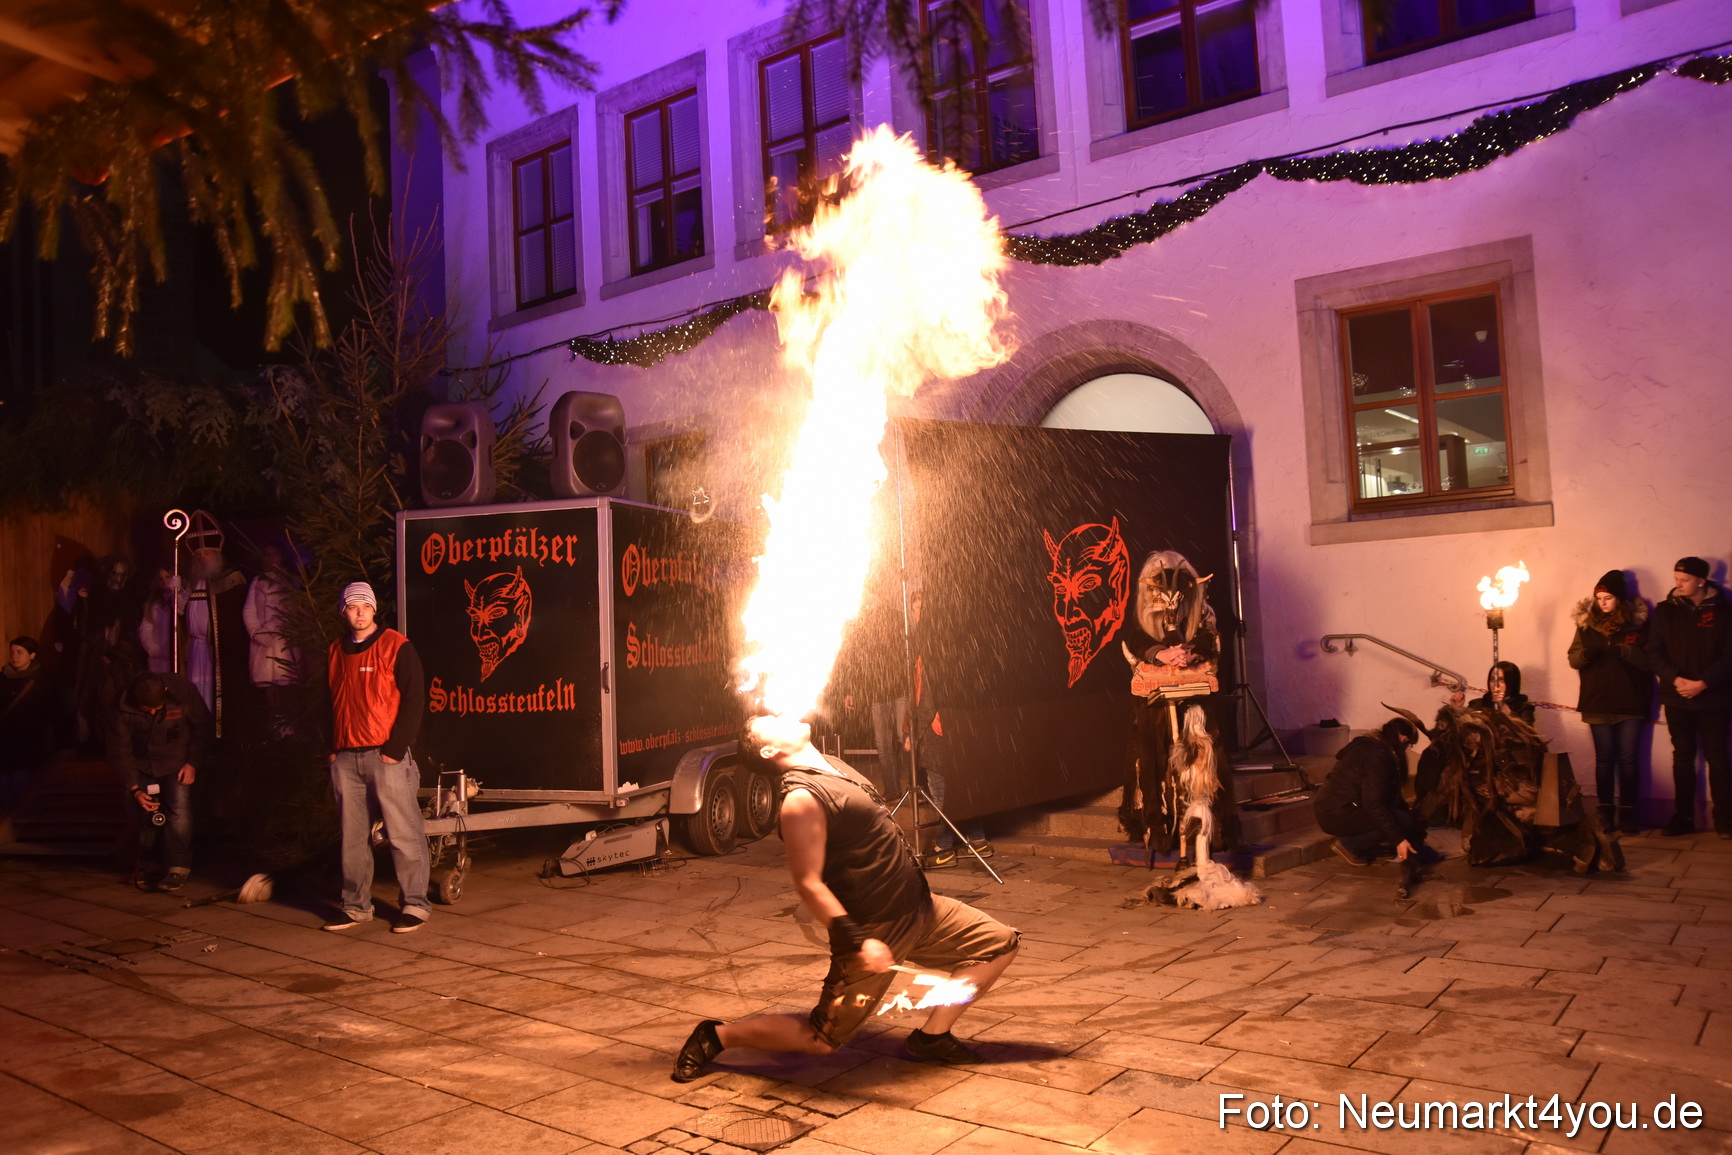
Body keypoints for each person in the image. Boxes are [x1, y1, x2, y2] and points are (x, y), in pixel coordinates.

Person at [671, 714, 1019, 1083]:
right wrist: (859, 941)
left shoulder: (832, 765)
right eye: (771, 720)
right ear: (769, 750)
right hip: (874, 926)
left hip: (920, 906)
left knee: (1000, 944)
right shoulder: (801, 800)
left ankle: (931, 1038)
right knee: (821, 1039)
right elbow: (808, 884)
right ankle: (717, 1036)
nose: (783, 714)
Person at [322, 581, 432, 932]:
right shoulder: (335, 650)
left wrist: (395, 750)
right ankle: (356, 906)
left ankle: (415, 904)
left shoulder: (395, 646)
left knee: (402, 831)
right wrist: (331, 747)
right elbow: (328, 700)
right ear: (344, 611)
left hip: (384, 754)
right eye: (352, 607)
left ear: (373, 610)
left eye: (364, 607)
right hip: (345, 757)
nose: (359, 613)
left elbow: (414, 699)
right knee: (353, 836)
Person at [1645, 556, 1732, 838]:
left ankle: (1724, 819)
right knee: (1682, 756)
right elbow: (1654, 652)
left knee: (1717, 757)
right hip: (1677, 695)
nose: (1677, 584)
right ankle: (1682, 817)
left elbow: (1729, 656)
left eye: (1683, 579)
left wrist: (1704, 682)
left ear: (1701, 581)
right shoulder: (1666, 611)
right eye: (1676, 579)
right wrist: (1676, 678)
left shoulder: (1724, 612)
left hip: (1714, 697)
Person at [108, 670, 211, 891]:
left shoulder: (183, 692)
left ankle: (178, 866)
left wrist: (193, 763)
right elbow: (119, 749)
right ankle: (149, 863)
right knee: (143, 810)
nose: (153, 712)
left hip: (177, 760)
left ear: (165, 691)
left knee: (179, 810)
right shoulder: (120, 706)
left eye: (157, 708)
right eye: (147, 710)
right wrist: (134, 788)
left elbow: (203, 726)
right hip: (141, 763)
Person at [1568, 570, 1653, 834]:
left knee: (1628, 758)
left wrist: (1624, 651)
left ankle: (1628, 810)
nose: (1603, 603)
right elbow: (1573, 659)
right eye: (1599, 598)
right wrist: (1586, 654)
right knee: (1604, 758)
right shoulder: (1586, 625)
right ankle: (1605, 809)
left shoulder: (1637, 626)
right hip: (1597, 701)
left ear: (1620, 599)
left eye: (1609, 597)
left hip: (1630, 701)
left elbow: (1650, 661)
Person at [1314, 715, 1429, 867]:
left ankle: (1365, 846)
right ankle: (1351, 845)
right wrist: (1398, 840)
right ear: (1402, 738)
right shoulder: (1377, 756)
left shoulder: (1373, 747)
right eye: (1409, 746)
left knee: (1404, 818)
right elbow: (1373, 803)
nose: (1406, 750)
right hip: (1338, 813)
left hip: (1335, 809)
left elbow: (1388, 794)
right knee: (1402, 821)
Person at [243, 543, 302, 737]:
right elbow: (249, 609)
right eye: (267, 554)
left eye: (275, 553)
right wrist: (257, 633)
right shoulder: (258, 581)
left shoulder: (290, 581)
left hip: (285, 644)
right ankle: (274, 735)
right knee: (270, 692)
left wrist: (270, 628)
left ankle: (290, 735)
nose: (271, 558)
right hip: (263, 646)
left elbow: (290, 611)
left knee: (287, 690)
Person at [1, 637, 58, 805]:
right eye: (12, 652)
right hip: (3, 743)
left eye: (19, 652)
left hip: (28, 743)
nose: (14, 656)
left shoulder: (43, 682)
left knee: (21, 785)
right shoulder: (2, 679)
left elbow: (52, 713)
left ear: (32, 655)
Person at [1468, 661, 1535, 726]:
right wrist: (1458, 709)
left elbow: (1525, 733)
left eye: (1501, 680)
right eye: (1492, 679)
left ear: (1512, 682)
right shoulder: (1476, 704)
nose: (1496, 684)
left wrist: (1502, 705)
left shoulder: (1524, 707)